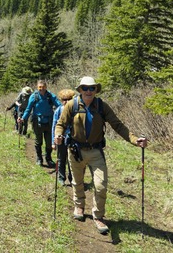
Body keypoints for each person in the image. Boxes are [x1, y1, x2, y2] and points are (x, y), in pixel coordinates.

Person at [54, 76, 148, 235]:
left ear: (96, 90)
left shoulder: (101, 106)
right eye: (85, 88)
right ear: (80, 90)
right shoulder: (72, 105)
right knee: (77, 182)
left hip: (96, 151)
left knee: (100, 185)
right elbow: (61, 124)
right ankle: (79, 206)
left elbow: (118, 125)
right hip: (75, 150)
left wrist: (134, 139)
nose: (89, 91)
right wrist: (58, 136)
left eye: (92, 88)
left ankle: (98, 216)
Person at [21, 80, 61, 167]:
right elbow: (28, 109)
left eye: (43, 87)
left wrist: (66, 111)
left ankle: (48, 158)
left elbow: (58, 105)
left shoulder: (50, 96)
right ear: (37, 87)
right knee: (38, 141)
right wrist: (23, 118)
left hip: (49, 122)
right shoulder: (34, 96)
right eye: (40, 87)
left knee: (49, 142)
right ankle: (39, 158)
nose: (41, 89)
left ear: (46, 87)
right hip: (37, 122)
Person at [51, 88, 76, 186]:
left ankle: (72, 178)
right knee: (61, 159)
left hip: (73, 138)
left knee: (72, 160)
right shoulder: (58, 110)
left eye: (68, 99)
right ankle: (61, 178)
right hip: (61, 138)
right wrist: (53, 142)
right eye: (64, 99)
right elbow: (54, 125)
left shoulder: (75, 110)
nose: (66, 102)